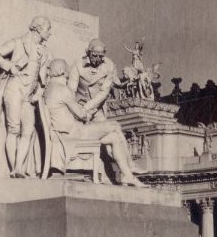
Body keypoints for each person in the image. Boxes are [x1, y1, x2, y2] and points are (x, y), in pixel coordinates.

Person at [43, 59, 145, 187]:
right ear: (62, 71)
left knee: (114, 137)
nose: (69, 72)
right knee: (115, 126)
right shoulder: (63, 89)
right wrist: (89, 113)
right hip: (73, 133)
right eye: (67, 70)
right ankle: (130, 166)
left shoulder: (48, 89)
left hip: (66, 133)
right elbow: (80, 114)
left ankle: (127, 175)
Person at [0, 16, 52, 177]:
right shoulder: (18, 42)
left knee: (28, 131)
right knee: (14, 129)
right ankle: (13, 169)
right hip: (14, 88)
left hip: (29, 96)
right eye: (48, 29)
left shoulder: (44, 52)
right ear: (38, 28)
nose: (50, 33)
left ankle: (19, 168)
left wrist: (38, 93)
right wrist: (8, 66)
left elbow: (43, 80)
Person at [67, 38, 117, 122]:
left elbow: (104, 92)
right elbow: (71, 90)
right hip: (78, 105)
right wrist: (77, 110)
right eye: (94, 55)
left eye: (100, 56)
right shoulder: (78, 64)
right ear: (88, 53)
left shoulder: (109, 65)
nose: (97, 59)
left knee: (102, 128)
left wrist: (87, 108)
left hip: (96, 107)